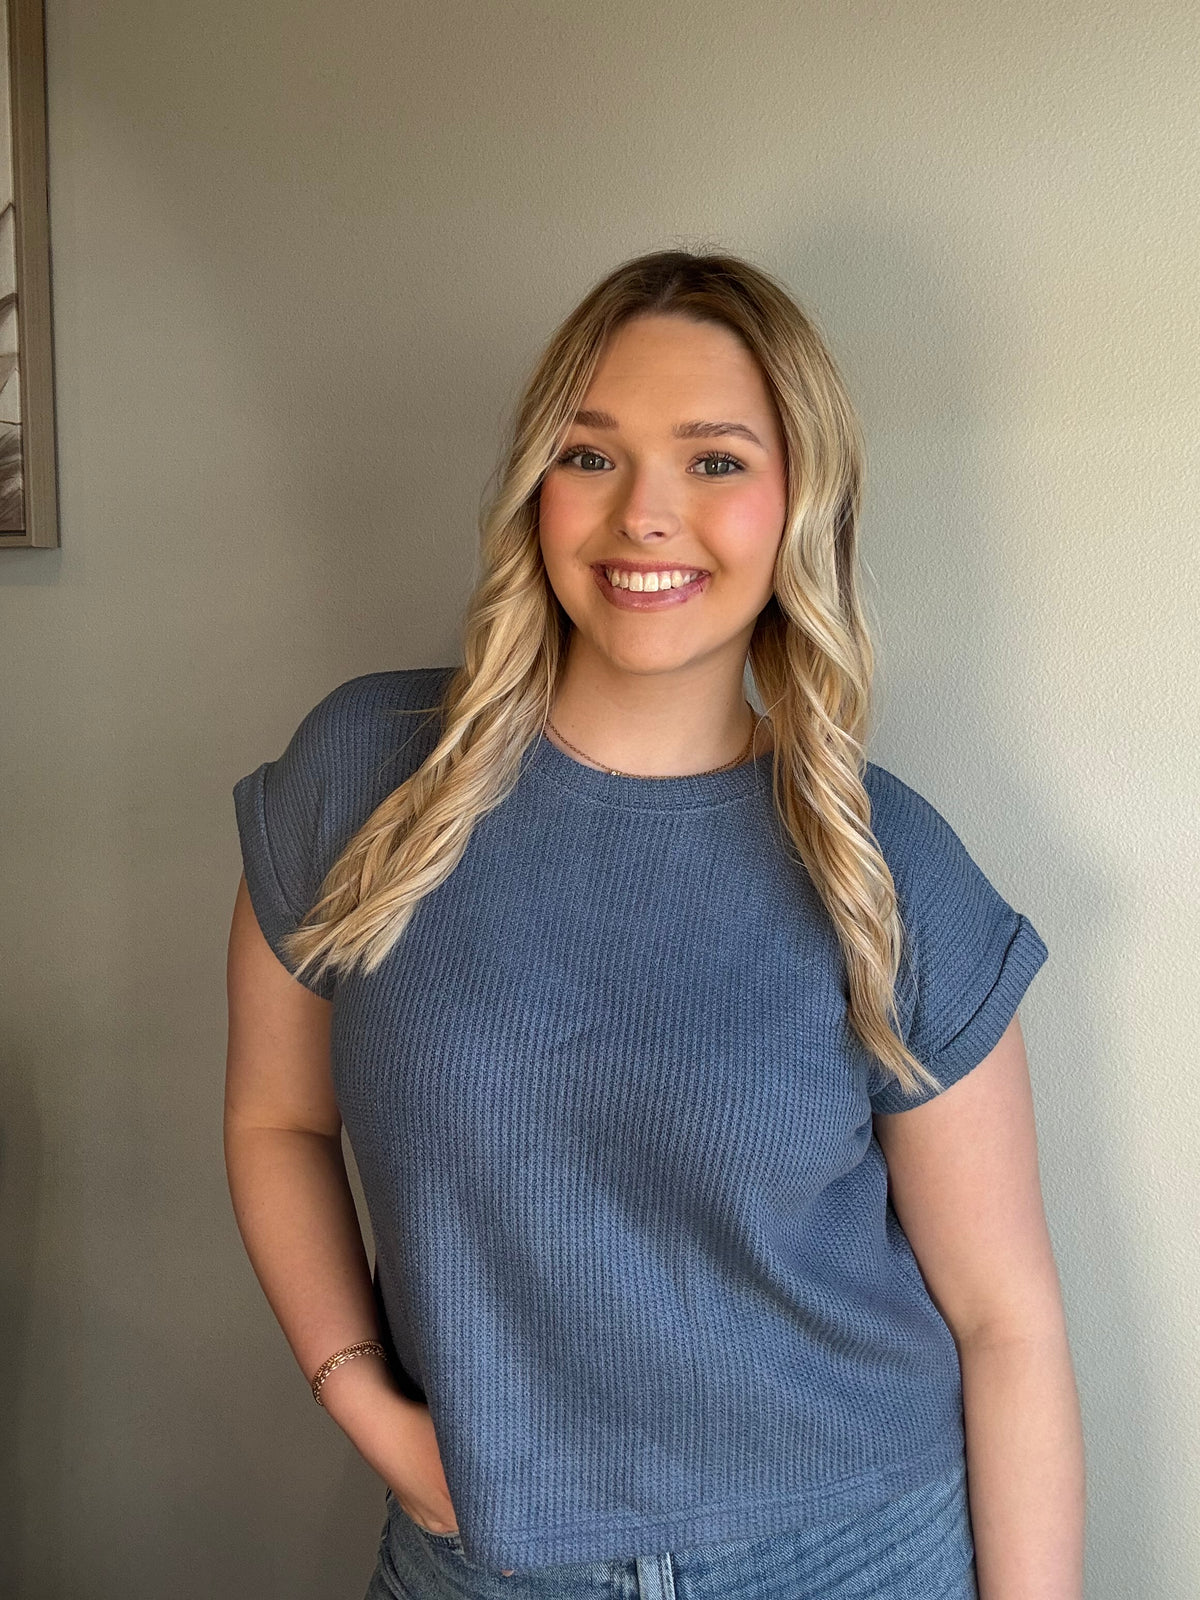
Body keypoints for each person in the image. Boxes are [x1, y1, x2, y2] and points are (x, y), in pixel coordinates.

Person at [225, 249, 1085, 1599]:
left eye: (717, 462)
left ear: (802, 501)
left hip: (854, 1554)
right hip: (481, 1558)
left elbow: (1005, 1318)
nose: (646, 517)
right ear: (534, 488)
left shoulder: (886, 862)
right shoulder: (364, 776)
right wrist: (368, 1411)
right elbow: (277, 1119)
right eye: (591, 455)